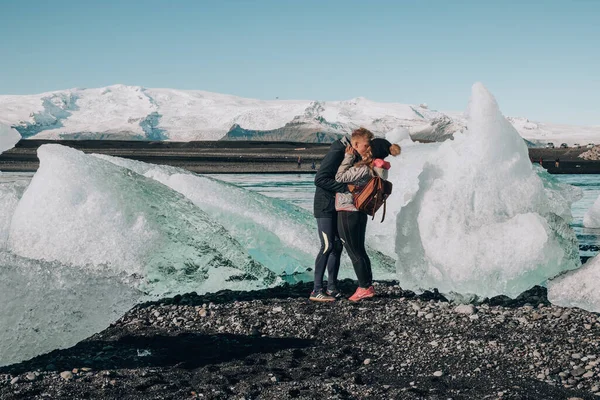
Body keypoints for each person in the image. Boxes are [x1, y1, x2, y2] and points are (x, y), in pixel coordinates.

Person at [335, 131, 400, 302]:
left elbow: (340, 176)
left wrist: (348, 157)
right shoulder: (378, 168)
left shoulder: (365, 168)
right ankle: (367, 285)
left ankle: (364, 287)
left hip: (349, 210)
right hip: (360, 213)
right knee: (360, 250)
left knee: (353, 250)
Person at [309, 129, 371, 302]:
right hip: (325, 206)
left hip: (335, 205)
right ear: (356, 144)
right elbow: (320, 179)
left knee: (337, 246)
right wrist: (346, 189)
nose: (368, 149)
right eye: (366, 145)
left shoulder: (351, 154)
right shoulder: (338, 151)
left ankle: (332, 287)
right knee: (327, 245)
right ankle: (316, 290)